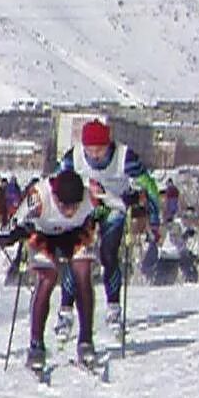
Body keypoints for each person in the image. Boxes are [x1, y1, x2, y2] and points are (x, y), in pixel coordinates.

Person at [0, 166, 103, 374]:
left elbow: (115, 204)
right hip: (44, 236)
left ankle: (85, 340)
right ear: (55, 197)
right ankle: (36, 344)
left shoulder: (90, 193)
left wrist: (132, 202)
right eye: (64, 206)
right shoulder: (39, 196)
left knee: (83, 274)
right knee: (48, 278)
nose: (69, 211)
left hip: (76, 234)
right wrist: (15, 233)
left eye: (75, 206)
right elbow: (12, 225)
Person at [59, 117, 158, 325]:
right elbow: (57, 185)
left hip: (114, 207)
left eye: (100, 150)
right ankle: (66, 308)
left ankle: (113, 306)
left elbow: (149, 186)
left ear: (108, 145)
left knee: (108, 253)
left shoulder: (124, 157)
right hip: (87, 207)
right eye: (90, 150)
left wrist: (154, 219)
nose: (94, 155)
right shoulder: (74, 157)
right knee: (76, 253)